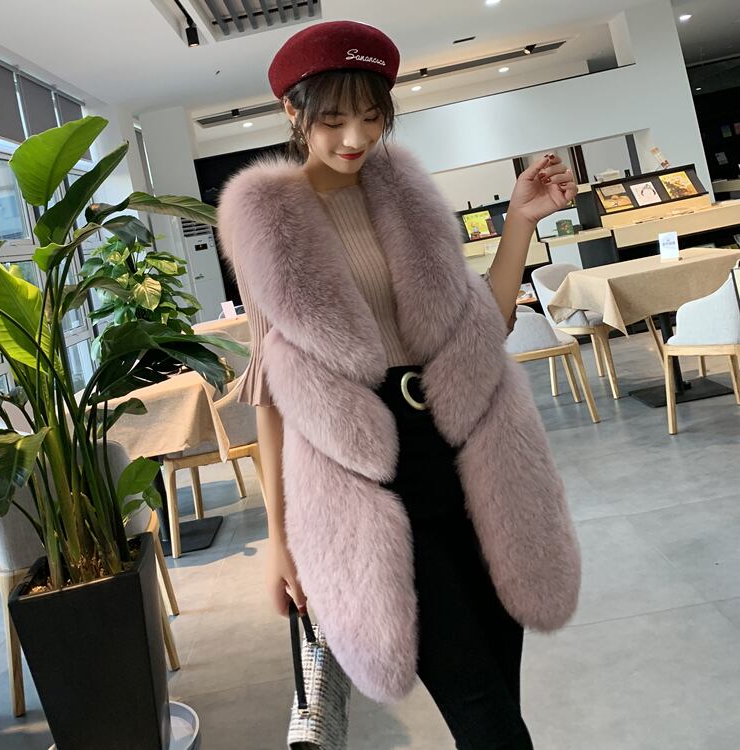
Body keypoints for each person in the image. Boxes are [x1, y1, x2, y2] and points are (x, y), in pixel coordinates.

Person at [217, 20, 581, 750]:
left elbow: (481, 324)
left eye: (372, 116)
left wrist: (520, 221)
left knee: (497, 683)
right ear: (293, 112)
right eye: (333, 119)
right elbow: (273, 394)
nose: (355, 137)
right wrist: (281, 540)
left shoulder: (407, 199)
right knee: (481, 708)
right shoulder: (266, 225)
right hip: (368, 476)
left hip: (470, 451)